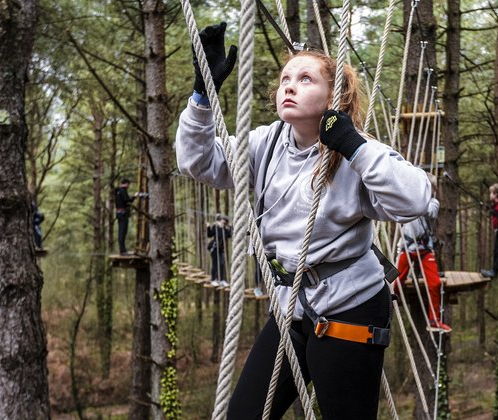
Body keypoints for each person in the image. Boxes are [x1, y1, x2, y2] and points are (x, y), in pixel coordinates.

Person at [176, 22, 431, 420]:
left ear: (334, 96)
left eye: (305, 79)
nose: (289, 87)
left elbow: (415, 199)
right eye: (285, 79)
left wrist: (353, 146)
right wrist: (202, 97)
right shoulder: (266, 143)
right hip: (291, 307)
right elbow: (197, 162)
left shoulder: (354, 153)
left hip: (350, 308)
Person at [395, 174, 450, 333]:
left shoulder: (433, 202)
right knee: (397, 281)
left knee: (435, 283)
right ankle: (389, 306)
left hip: (424, 248)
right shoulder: (409, 198)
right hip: (407, 246)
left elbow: (431, 212)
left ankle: (434, 321)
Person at [114, 178, 143, 255]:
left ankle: (122, 250)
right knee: (122, 232)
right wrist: (135, 196)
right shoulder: (123, 191)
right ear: (126, 184)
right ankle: (123, 251)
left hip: (120, 214)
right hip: (123, 214)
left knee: (121, 232)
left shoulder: (117, 191)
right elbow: (127, 200)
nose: (128, 186)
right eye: (128, 184)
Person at [207, 213, 232, 287]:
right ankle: (213, 280)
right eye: (222, 221)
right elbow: (209, 235)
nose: (223, 223)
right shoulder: (215, 227)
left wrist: (230, 227)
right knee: (215, 265)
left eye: (224, 222)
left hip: (221, 250)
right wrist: (208, 227)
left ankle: (221, 280)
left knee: (221, 264)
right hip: (214, 249)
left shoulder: (224, 229)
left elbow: (229, 235)